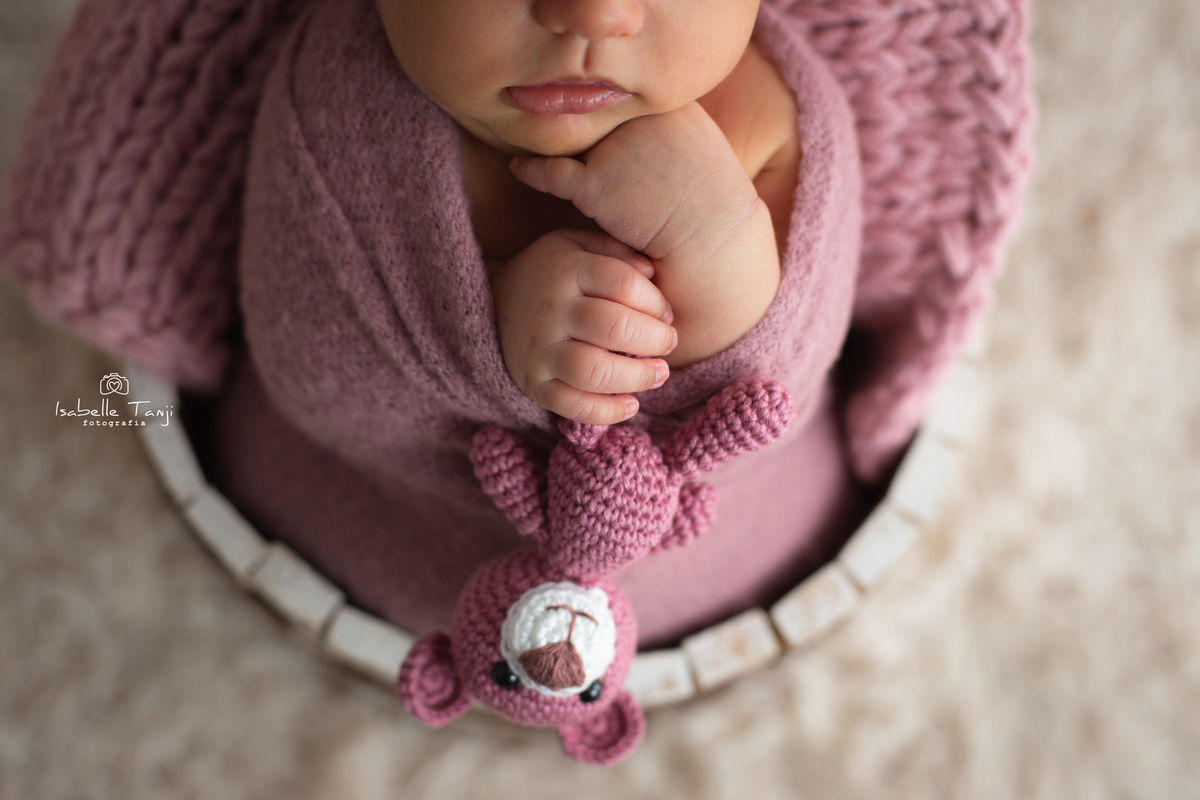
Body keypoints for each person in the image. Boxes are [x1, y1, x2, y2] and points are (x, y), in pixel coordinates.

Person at [0, 0, 1033, 649]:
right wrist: (487, 336)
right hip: (371, 530)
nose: (591, 14)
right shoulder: (336, 107)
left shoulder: (779, 111)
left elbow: (786, 386)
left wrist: (724, 254)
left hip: (733, 557)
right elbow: (303, 359)